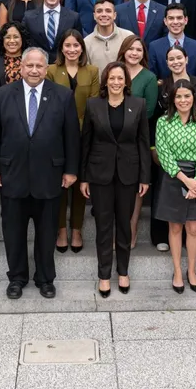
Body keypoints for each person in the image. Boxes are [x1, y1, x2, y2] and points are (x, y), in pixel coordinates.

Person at [0, 47, 81, 300]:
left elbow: (71, 136)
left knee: (47, 233)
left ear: (46, 68)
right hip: (12, 176)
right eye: (30, 66)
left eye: (39, 66)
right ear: (21, 67)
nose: (34, 70)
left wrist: (71, 170)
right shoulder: (3, 95)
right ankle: (16, 278)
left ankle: (45, 279)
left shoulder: (62, 95)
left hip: (49, 177)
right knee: (13, 233)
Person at [79, 62, 151, 296]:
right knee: (103, 226)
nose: (116, 82)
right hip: (100, 174)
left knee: (124, 224)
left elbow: (143, 142)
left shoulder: (138, 104)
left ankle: (123, 271)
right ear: (105, 81)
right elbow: (86, 143)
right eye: (112, 78)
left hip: (128, 174)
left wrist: (144, 177)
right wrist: (83, 177)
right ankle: (103, 275)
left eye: (120, 78)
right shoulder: (93, 105)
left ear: (126, 82)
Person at [152, 79, 196, 293]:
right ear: (172, 99)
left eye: (187, 96)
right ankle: (177, 270)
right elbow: (164, 154)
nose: (183, 100)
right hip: (173, 177)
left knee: (193, 227)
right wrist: (185, 180)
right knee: (175, 226)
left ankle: (192, 270)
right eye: (178, 96)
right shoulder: (163, 122)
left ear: (193, 97)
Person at [46, 30, 100, 254]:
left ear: (82, 48)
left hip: (84, 135)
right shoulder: (51, 70)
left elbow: (94, 104)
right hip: (56, 135)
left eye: (76, 45)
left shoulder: (93, 71)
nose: (72, 49)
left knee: (80, 183)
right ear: (61, 48)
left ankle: (76, 228)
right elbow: (47, 103)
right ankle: (61, 229)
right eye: (67, 45)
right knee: (60, 183)